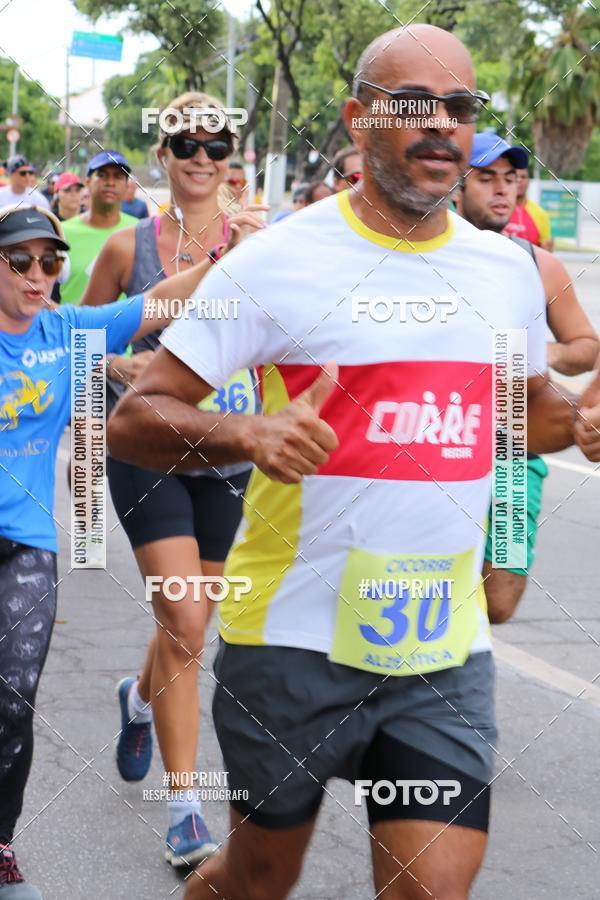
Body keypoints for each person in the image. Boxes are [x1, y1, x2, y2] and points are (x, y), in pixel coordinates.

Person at [108, 25, 600, 900]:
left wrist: (583, 423)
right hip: (290, 643)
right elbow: (139, 419)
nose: (441, 125)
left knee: (430, 888)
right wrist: (247, 436)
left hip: (440, 652)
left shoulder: (506, 273)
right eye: (414, 105)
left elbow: (523, 418)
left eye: (459, 107)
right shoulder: (280, 260)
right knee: (259, 878)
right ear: (359, 119)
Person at [0, 202, 224, 899]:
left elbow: (155, 302)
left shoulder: (70, 330)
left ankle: (1, 848)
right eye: (22, 262)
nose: (40, 275)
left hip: (28, 546)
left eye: (52, 261)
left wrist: (229, 262)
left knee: (13, 704)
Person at [81, 91, 268, 868]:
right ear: (162, 156)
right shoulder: (130, 249)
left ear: (233, 160)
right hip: (146, 456)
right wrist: (114, 362)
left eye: (216, 145)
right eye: (185, 144)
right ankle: (186, 808)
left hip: (227, 458)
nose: (200, 158)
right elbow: (80, 338)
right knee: (187, 627)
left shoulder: (260, 241)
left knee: (186, 630)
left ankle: (138, 694)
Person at [460, 132, 599, 624]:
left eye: (511, 179)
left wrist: (542, 351)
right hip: (439, 444)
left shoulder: (538, 263)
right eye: (485, 178)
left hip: (515, 453)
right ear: (455, 185)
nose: (502, 190)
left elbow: (587, 348)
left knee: (499, 601)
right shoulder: (425, 257)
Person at [59, 150, 137, 305]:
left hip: (124, 328)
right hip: (74, 328)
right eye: (102, 175)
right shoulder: (61, 231)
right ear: (87, 182)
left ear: (127, 185)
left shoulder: (140, 230)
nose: (110, 182)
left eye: (118, 176)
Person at [504, 161, 553, 250]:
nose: (519, 180)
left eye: (523, 177)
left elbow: (546, 251)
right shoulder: (498, 210)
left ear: (528, 182)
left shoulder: (540, 214)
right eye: (515, 176)